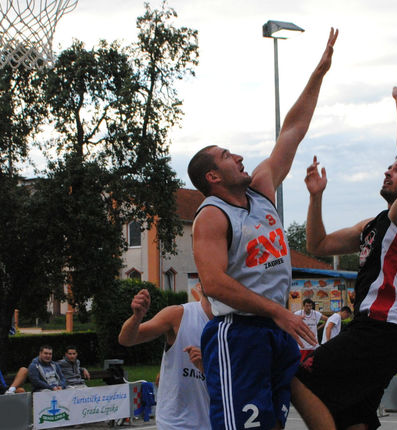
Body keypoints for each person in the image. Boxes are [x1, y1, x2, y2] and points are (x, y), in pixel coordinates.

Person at [189, 29, 338, 430]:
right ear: (213, 176)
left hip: (274, 330)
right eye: (226, 156)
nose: (237, 156)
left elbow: (293, 129)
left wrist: (319, 73)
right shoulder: (212, 216)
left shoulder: (261, 190)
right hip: (239, 332)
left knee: (272, 424)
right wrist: (277, 311)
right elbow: (215, 284)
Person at [295, 62, 397, 430]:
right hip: (375, 334)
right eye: (389, 168)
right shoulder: (372, 225)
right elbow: (318, 243)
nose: (389, 171)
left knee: (296, 377)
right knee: (351, 415)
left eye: (395, 169)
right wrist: (315, 198)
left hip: (380, 331)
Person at [118, 287, 213, 430]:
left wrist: (208, 366)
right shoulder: (178, 315)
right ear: (200, 284)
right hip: (175, 422)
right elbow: (126, 339)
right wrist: (136, 317)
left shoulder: (235, 323)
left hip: (215, 421)